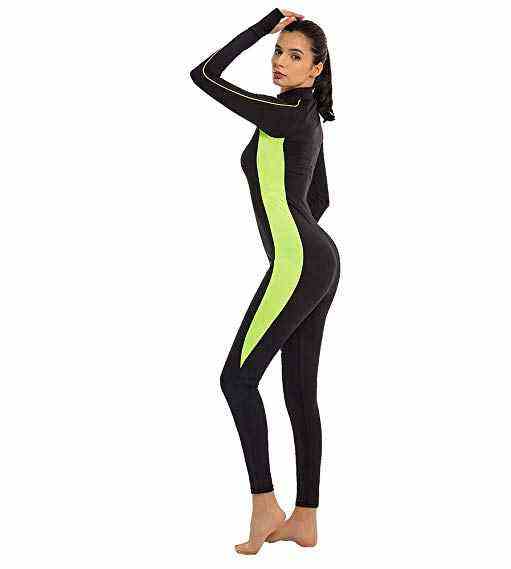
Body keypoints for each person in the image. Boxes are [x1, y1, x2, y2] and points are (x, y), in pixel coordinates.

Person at [190, 7, 340, 554]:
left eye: (295, 55)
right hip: (317, 260)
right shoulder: (301, 118)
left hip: (300, 262)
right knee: (298, 392)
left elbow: (204, 74)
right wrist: (300, 246)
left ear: (316, 70)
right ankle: (305, 519)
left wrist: (266, 24)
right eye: (278, 50)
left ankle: (265, 505)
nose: (280, 61)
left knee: (237, 380)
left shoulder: (286, 115)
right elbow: (319, 198)